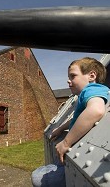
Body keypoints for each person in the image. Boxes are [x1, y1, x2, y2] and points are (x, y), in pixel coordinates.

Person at [31, 57, 110, 187]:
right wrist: (61, 128)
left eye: (73, 76)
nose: (68, 80)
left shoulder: (91, 90)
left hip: (69, 153)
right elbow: (78, 118)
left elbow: (96, 110)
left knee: (36, 177)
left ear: (91, 76)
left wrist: (66, 142)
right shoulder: (89, 93)